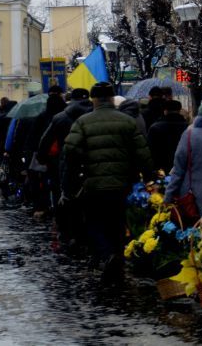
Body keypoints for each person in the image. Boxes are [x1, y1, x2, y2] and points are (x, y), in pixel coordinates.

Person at [62, 82, 153, 281]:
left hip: (93, 184)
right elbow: (142, 153)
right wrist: (149, 178)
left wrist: (72, 180)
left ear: (93, 100)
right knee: (118, 222)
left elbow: (69, 152)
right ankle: (117, 257)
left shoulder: (82, 122)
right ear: (112, 99)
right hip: (122, 184)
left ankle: (107, 254)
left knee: (95, 222)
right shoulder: (127, 121)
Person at [41, 88, 93, 244]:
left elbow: (45, 142)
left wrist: (43, 159)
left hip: (65, 165)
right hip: (92, 166)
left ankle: (68, 233)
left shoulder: (60, 118)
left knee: (64, 197)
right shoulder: (95, 115)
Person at [146, 99, 188, 175]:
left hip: (161, 168)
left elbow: (150, 150)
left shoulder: (155, 128)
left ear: (165, 111)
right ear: (179, 110)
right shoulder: (187, 128)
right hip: (183, 167)